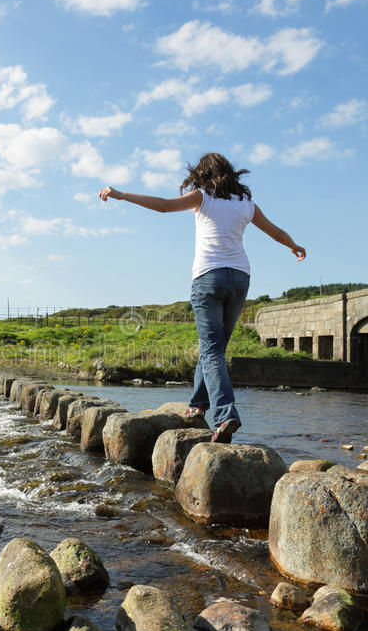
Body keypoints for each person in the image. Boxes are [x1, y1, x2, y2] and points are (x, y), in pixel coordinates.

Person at [99, 152, 306, 443]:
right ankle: (198, 407)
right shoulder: (246, 204)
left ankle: (225, 415)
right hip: (240, 278)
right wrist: (294, 245)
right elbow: (275, 232)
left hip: (208, 278)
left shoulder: (202, 197)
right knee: (214, 348)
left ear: (203, 173)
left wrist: (122, 194)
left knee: (211, 350)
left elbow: (164, 206)